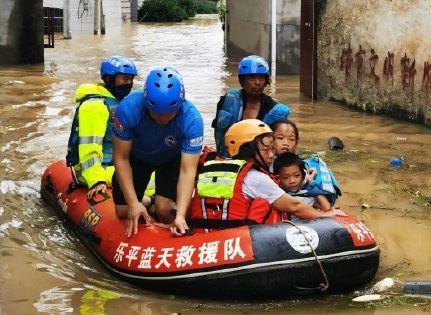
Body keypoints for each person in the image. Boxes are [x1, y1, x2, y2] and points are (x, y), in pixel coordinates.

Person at [189, 119, 345, 232]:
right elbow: (295, 207)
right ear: (247, 150)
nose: (271, 155)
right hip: (236, 239)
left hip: (206, 235)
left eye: (272, 149)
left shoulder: (212, 167)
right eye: (265, 150)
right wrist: (326, 215)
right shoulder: (255, 177)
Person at [111, 66, 204, 238]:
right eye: (156, 113)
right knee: (123, 210)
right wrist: (132, 202)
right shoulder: (128, 109)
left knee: (166, 210)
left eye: (168, 113)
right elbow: (121, 158)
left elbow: (187, 170)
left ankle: (160, 204)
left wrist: (181, 215)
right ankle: (148, 201)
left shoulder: (192, 120)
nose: (162, 118)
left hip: (171, 158)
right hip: (137, 156)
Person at [66, 55, 137, 198]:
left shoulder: (119, 102)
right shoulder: (95, 106)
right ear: (110, 79)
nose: (128, 83)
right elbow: (89, 147)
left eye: (131, 79)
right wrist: (96, 180)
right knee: (141, 181)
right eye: (124, 79)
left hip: (114, 165)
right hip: (95, 170)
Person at [212, 55, 291, 157]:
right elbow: (218, 132)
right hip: (228, 156)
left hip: (257, 161)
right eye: (251, 78)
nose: (257, 82)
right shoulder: (227, 101)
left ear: (266, 81)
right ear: (242, 81)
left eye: (261, 78)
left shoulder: (272, 108)